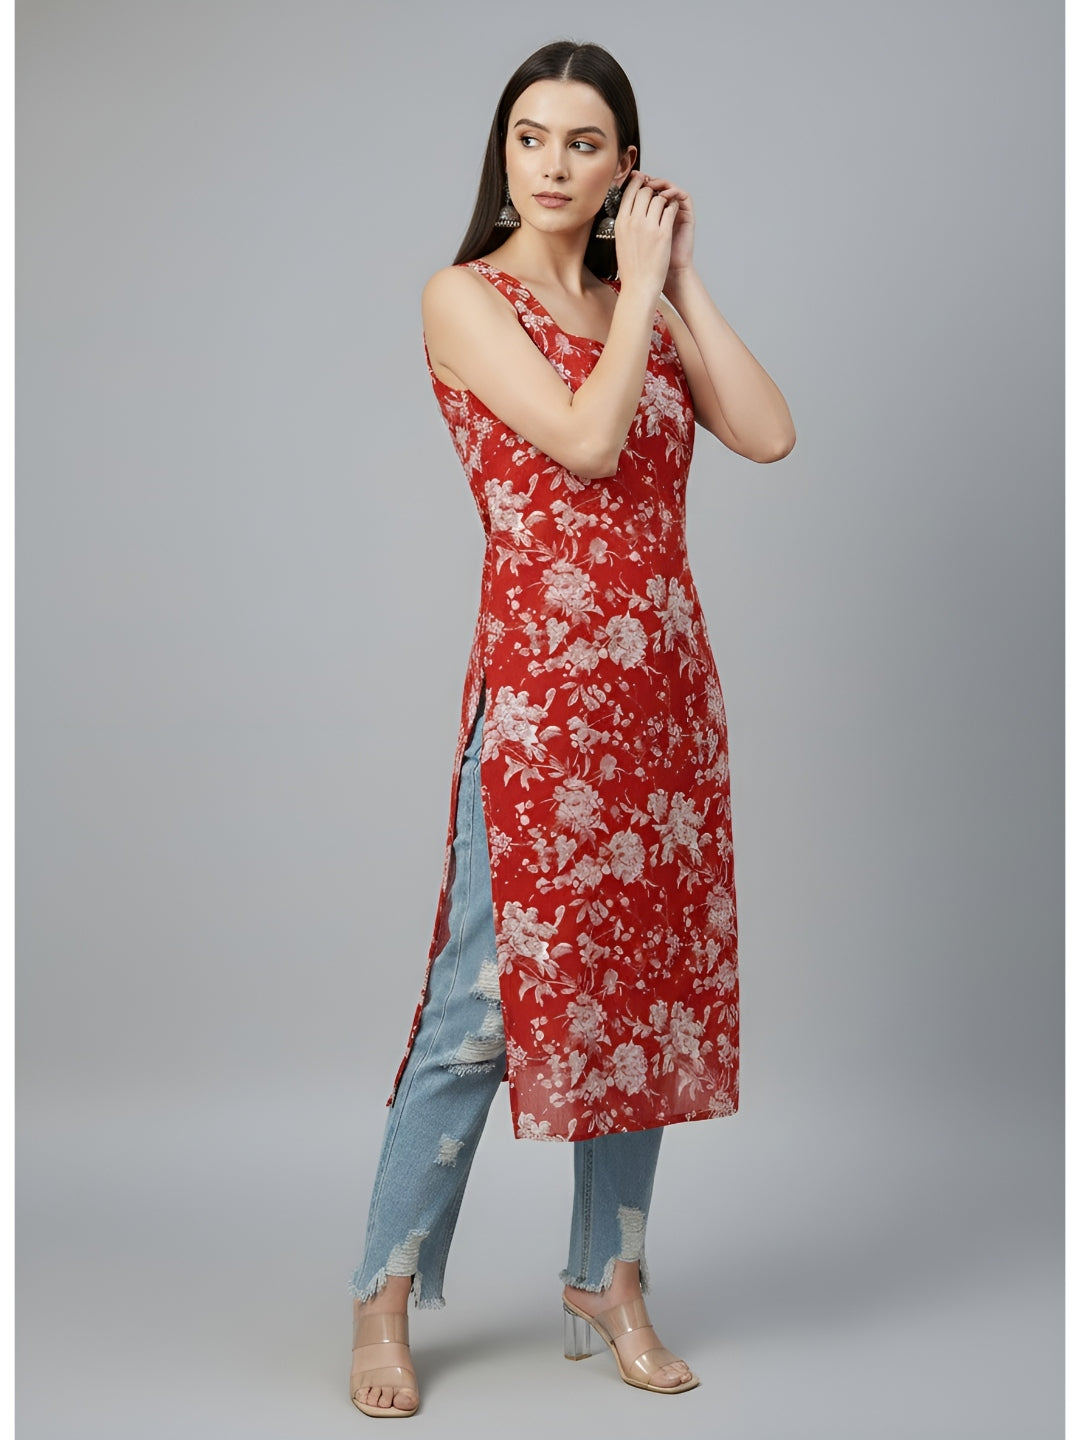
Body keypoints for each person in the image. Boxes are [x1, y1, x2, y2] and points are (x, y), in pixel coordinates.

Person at [348, 38, 795, 1418]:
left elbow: (767, 432)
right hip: (543, 696)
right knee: (482, 1005)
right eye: (530, 138)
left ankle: (611, 1279)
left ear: (624, 167)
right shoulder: (464, 297)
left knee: (640, 999)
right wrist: (639, 292)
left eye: (583, 142)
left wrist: (678, 279)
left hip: (663, 696)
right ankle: (384, 1292)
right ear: (505, 154)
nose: (551, 165)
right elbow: (589, 445)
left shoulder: (639, 296)